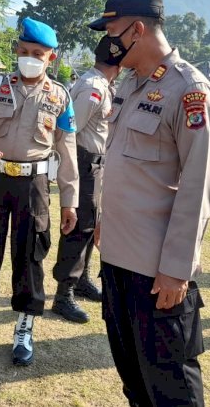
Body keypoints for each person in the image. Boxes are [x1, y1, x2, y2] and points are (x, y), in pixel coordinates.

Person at [93, 0, 210, 406]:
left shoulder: (189, 90)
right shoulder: (132, 85)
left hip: (155, 271)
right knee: (134, 379)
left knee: (171, 388)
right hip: (116, 260)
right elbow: (121, 165)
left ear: (138, 29)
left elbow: (197, 186)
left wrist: (176, 270)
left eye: (112, 31)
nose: (109, 41)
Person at [0, 17, 78, 366]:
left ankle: (25, 326)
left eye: (38, 53)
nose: (30, 57)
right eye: (25, 51)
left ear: (51, 58)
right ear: (16, 50)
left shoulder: (60, 96)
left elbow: (68, 149)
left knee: (30, 255)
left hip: (35, 184)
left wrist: (70, 202)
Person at [51, 54, 119, 323]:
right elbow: (72, 127)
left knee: (91, 224)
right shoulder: (93, 86)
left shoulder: (99, 83)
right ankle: (63, 293)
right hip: (84, 162)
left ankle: (81, 280)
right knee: (79, 227)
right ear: (119, 62)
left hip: (95, 164)